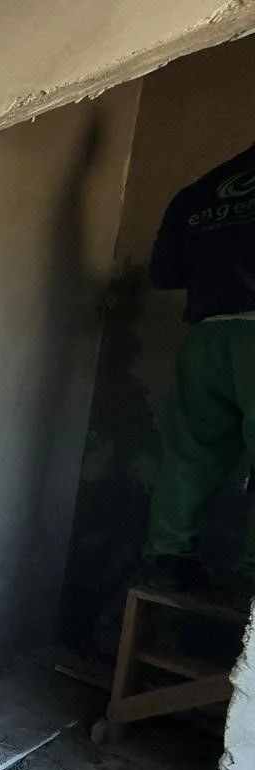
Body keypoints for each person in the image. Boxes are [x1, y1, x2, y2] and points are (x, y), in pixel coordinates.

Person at [143, 143, 255, 595]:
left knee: (190, 457)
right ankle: (251, 584)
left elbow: (163, 274)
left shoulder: (199, 191)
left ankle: (167, 559)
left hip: (206, 338)